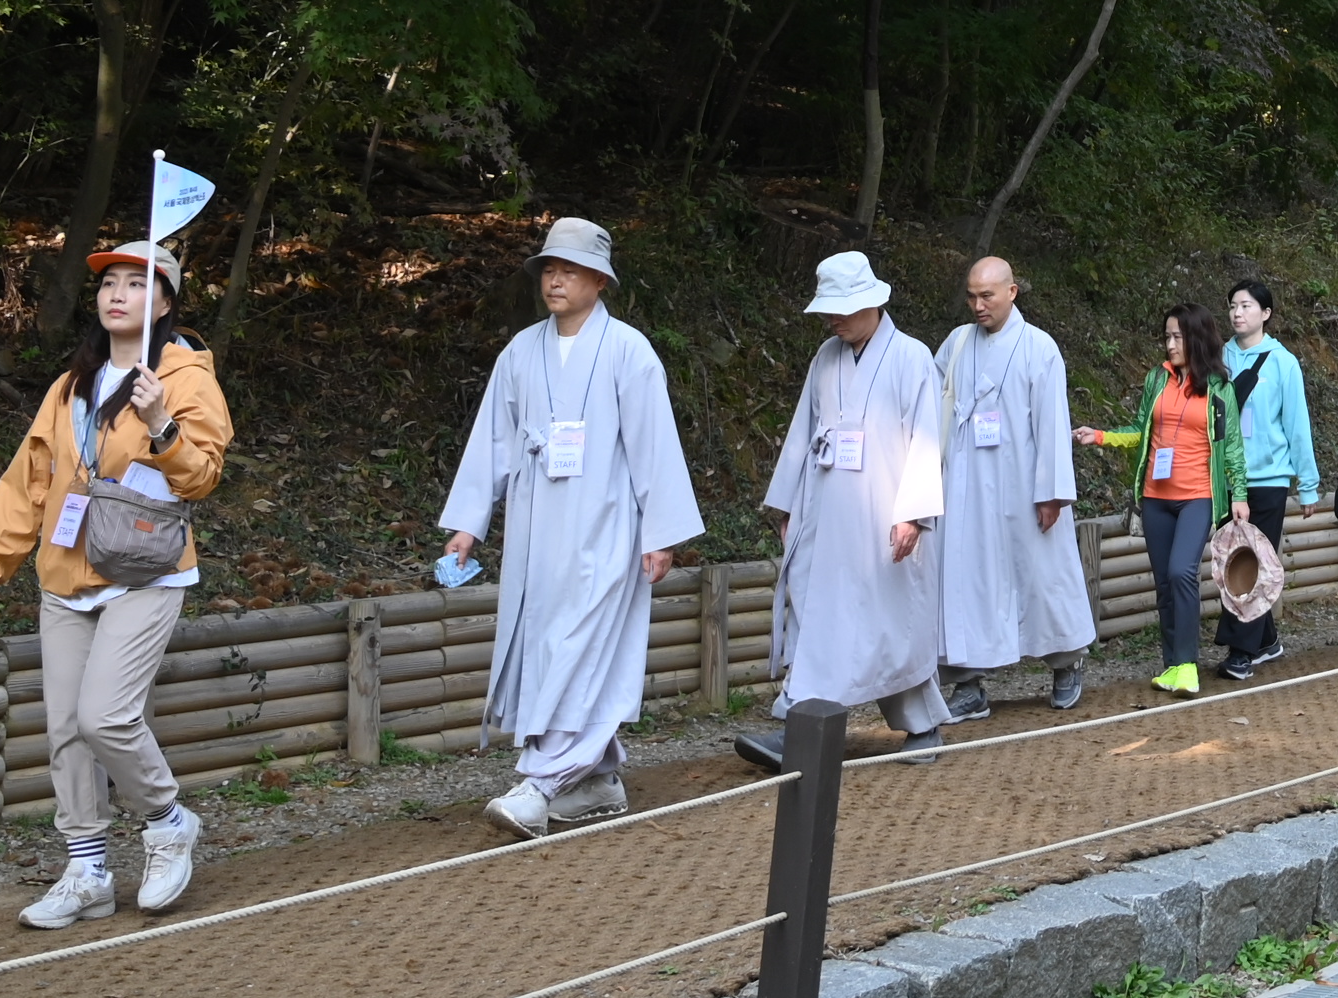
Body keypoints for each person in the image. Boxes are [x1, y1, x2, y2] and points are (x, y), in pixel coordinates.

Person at [0, 233, 232, 928]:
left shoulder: (183, 375)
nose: (117, 294)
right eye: (109, 283)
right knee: (66, 733)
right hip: (65, 573)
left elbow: (202, 476)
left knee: (104, 716)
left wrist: (161, 421)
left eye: (137, 284)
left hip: (146, 570)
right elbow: (27, 485)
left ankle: (168, 823)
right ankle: (88, 871)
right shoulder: (72, 384)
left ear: (165, 301)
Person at [439, 217, 704, 838]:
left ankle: (541, 782)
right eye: (549, 270)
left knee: (584, 649)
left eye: (570, 270)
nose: (555, 280)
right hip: (537, 534)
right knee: (546, 645)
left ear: (599, 281)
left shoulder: (629, 352)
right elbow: (493, 443)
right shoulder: (520, 352)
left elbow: (654, 446)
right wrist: (469, 526)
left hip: (608, 528)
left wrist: (660, 533)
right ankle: (598, 778)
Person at [743, 250, 949, 768]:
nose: (832, 318)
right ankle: (802, 727)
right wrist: (789, 502)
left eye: (841, 307)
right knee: (822, 616)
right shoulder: (825, 359)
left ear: (871, 304)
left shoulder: (912, 357)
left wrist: (914, 514)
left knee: (889, 623)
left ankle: (922, 725)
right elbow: (800, 433)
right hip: (827, 511)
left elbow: (927, 440)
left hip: (884, 516)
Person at [936, 255, 1096, 719]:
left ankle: (1067, 662)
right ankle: (967, 682)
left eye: (987, 295)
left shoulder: (1039, 348)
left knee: (1042, 575)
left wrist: (1051, 493)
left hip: (1021, 485)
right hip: (964, 486)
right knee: (964, 581)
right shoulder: (957, 343)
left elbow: (1051, 424)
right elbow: (932, 404)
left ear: (1012, 292)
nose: (978, 305)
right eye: (971, 295)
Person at [1079, 303, 1234, 697]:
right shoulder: (1156, 380)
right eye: (1166, 336)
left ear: (1196, 338)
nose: (1169, 344)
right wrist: (1100, 436)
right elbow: (1139, 430)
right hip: (1154, 498)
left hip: (1198, 496)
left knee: (1183, 571)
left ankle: (1188, 666)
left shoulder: (1219, 386)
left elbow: (1231, 447)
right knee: (1165, 582)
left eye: (1177, 337)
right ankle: (1172, 665)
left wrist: (1242, 495)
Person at [1211, 278, 1323, 682]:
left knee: (1253, 562)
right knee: (1229, 561)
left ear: (1265, 313)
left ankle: (1241, 652)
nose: (1237, 313)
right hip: (1225, 479)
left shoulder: (1282, 363)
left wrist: (1306, 484)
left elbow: (1297, 426)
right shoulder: (1217, 358)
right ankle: (1266, 639)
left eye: (1245, 306)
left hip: (1269, 478)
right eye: (1232, 306)